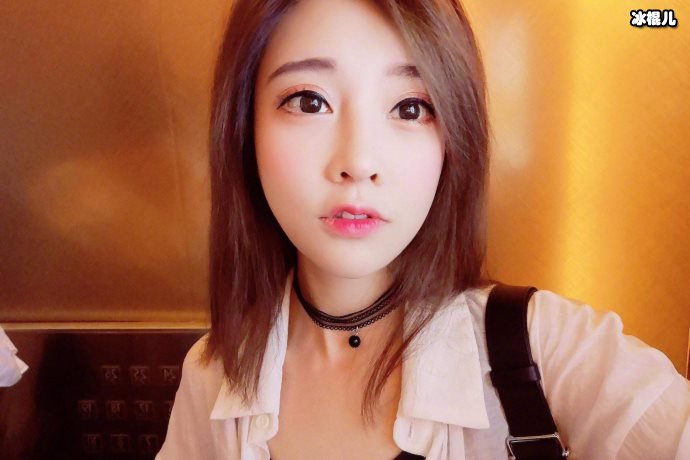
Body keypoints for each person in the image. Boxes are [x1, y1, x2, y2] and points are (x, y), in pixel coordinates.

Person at [156, 0, 690, 458]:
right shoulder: (212, 377)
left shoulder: (548, 351)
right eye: (309, 101)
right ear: (244, 128)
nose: (358, 162)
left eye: (411, 108)